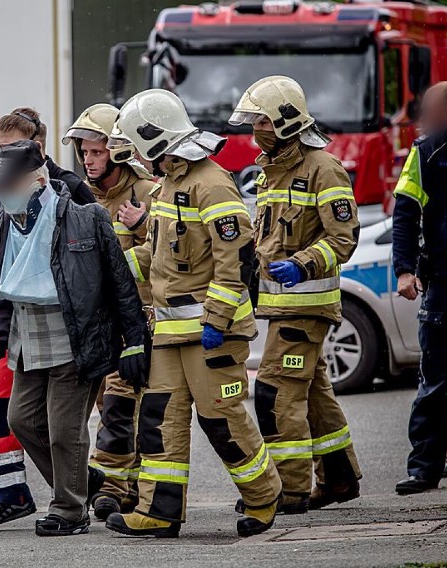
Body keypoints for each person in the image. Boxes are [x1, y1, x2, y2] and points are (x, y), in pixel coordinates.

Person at [105, 89, 282, 539]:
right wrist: (113, 268)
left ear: (152, 138)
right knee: (159, 417)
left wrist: (217, 321)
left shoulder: (210, 182)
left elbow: (236, 259)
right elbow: (157, 254)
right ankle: (158, 510)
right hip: (169, 331)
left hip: (210, 333)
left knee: (220, 417)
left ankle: (263, 496)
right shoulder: (168, 182)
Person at [0, 140, 149, 536]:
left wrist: (135, 340)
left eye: (10, 184)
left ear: (36, 181)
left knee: (64, 430)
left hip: (76, 335)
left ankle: (69, 510)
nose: (2, 193)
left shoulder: (85, 218)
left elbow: (119, 285)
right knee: (21, 420)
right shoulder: (5, 223)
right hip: (27, 337)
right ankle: (83, 482)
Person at [228, 76, 362, 514]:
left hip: (307, 307)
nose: (254, 131)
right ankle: (339, 478)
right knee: (314, 393)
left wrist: (303, 263)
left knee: (274, 391)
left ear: (286, 122)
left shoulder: (324, 169)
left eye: (262, 122)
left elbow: (344, 237)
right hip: (282, 307)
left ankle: (290, 488)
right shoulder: (272, 172)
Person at [0, 108, 96, 529]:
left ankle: (70, 502)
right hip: (13, 320)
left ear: (36, 146)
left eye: (10, 149)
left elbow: (95, 257)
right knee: (7, 413)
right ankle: (24, 492)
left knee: (64, 426)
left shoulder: (70, 191)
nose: (2, 158)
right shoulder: (2, 191)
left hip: (66, 324)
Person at [61, 103, 156, 520]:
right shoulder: (80, 199)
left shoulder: (150, 195)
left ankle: (112, 488)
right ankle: (131, 485)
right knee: (109, 406)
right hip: (96, 326)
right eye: (83, 152)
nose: (88, 159)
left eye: (95, 151)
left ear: (118, 150)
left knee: (120, 405)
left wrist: (141, 227)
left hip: (136, 322)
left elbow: (174, 256)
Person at [394, 63, 447, 494]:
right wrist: (404, 269)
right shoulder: (429, 152)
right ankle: (424, 468)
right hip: (444, 281)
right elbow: (405, 214)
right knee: (438, 381)